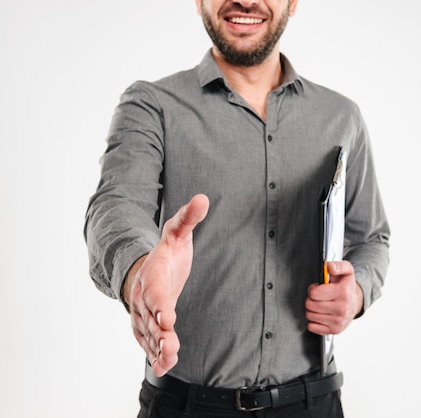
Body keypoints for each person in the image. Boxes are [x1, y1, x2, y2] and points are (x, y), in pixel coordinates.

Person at [84, 0, 390, 416]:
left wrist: (354, 293)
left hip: (313, 403)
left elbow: (372, 238)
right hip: (185, 405)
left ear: (293, 3)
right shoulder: (151, 105)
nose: (245, 0)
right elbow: (115, 205)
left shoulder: (341, 117)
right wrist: (139, 272)